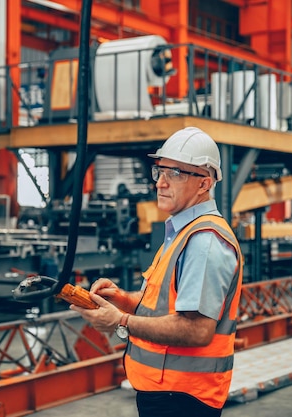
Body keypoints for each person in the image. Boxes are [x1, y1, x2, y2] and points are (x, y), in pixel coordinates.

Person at [70, 127, 243, 417]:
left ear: (204, 183)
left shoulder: (204, 242)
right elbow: (166, 305)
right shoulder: (182, 232)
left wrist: (120, 321)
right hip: (168, 391)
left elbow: (197, 330)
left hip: (183, 397)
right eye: (159, 171)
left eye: (175, 173)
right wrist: (123, 299)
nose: (160, 183)